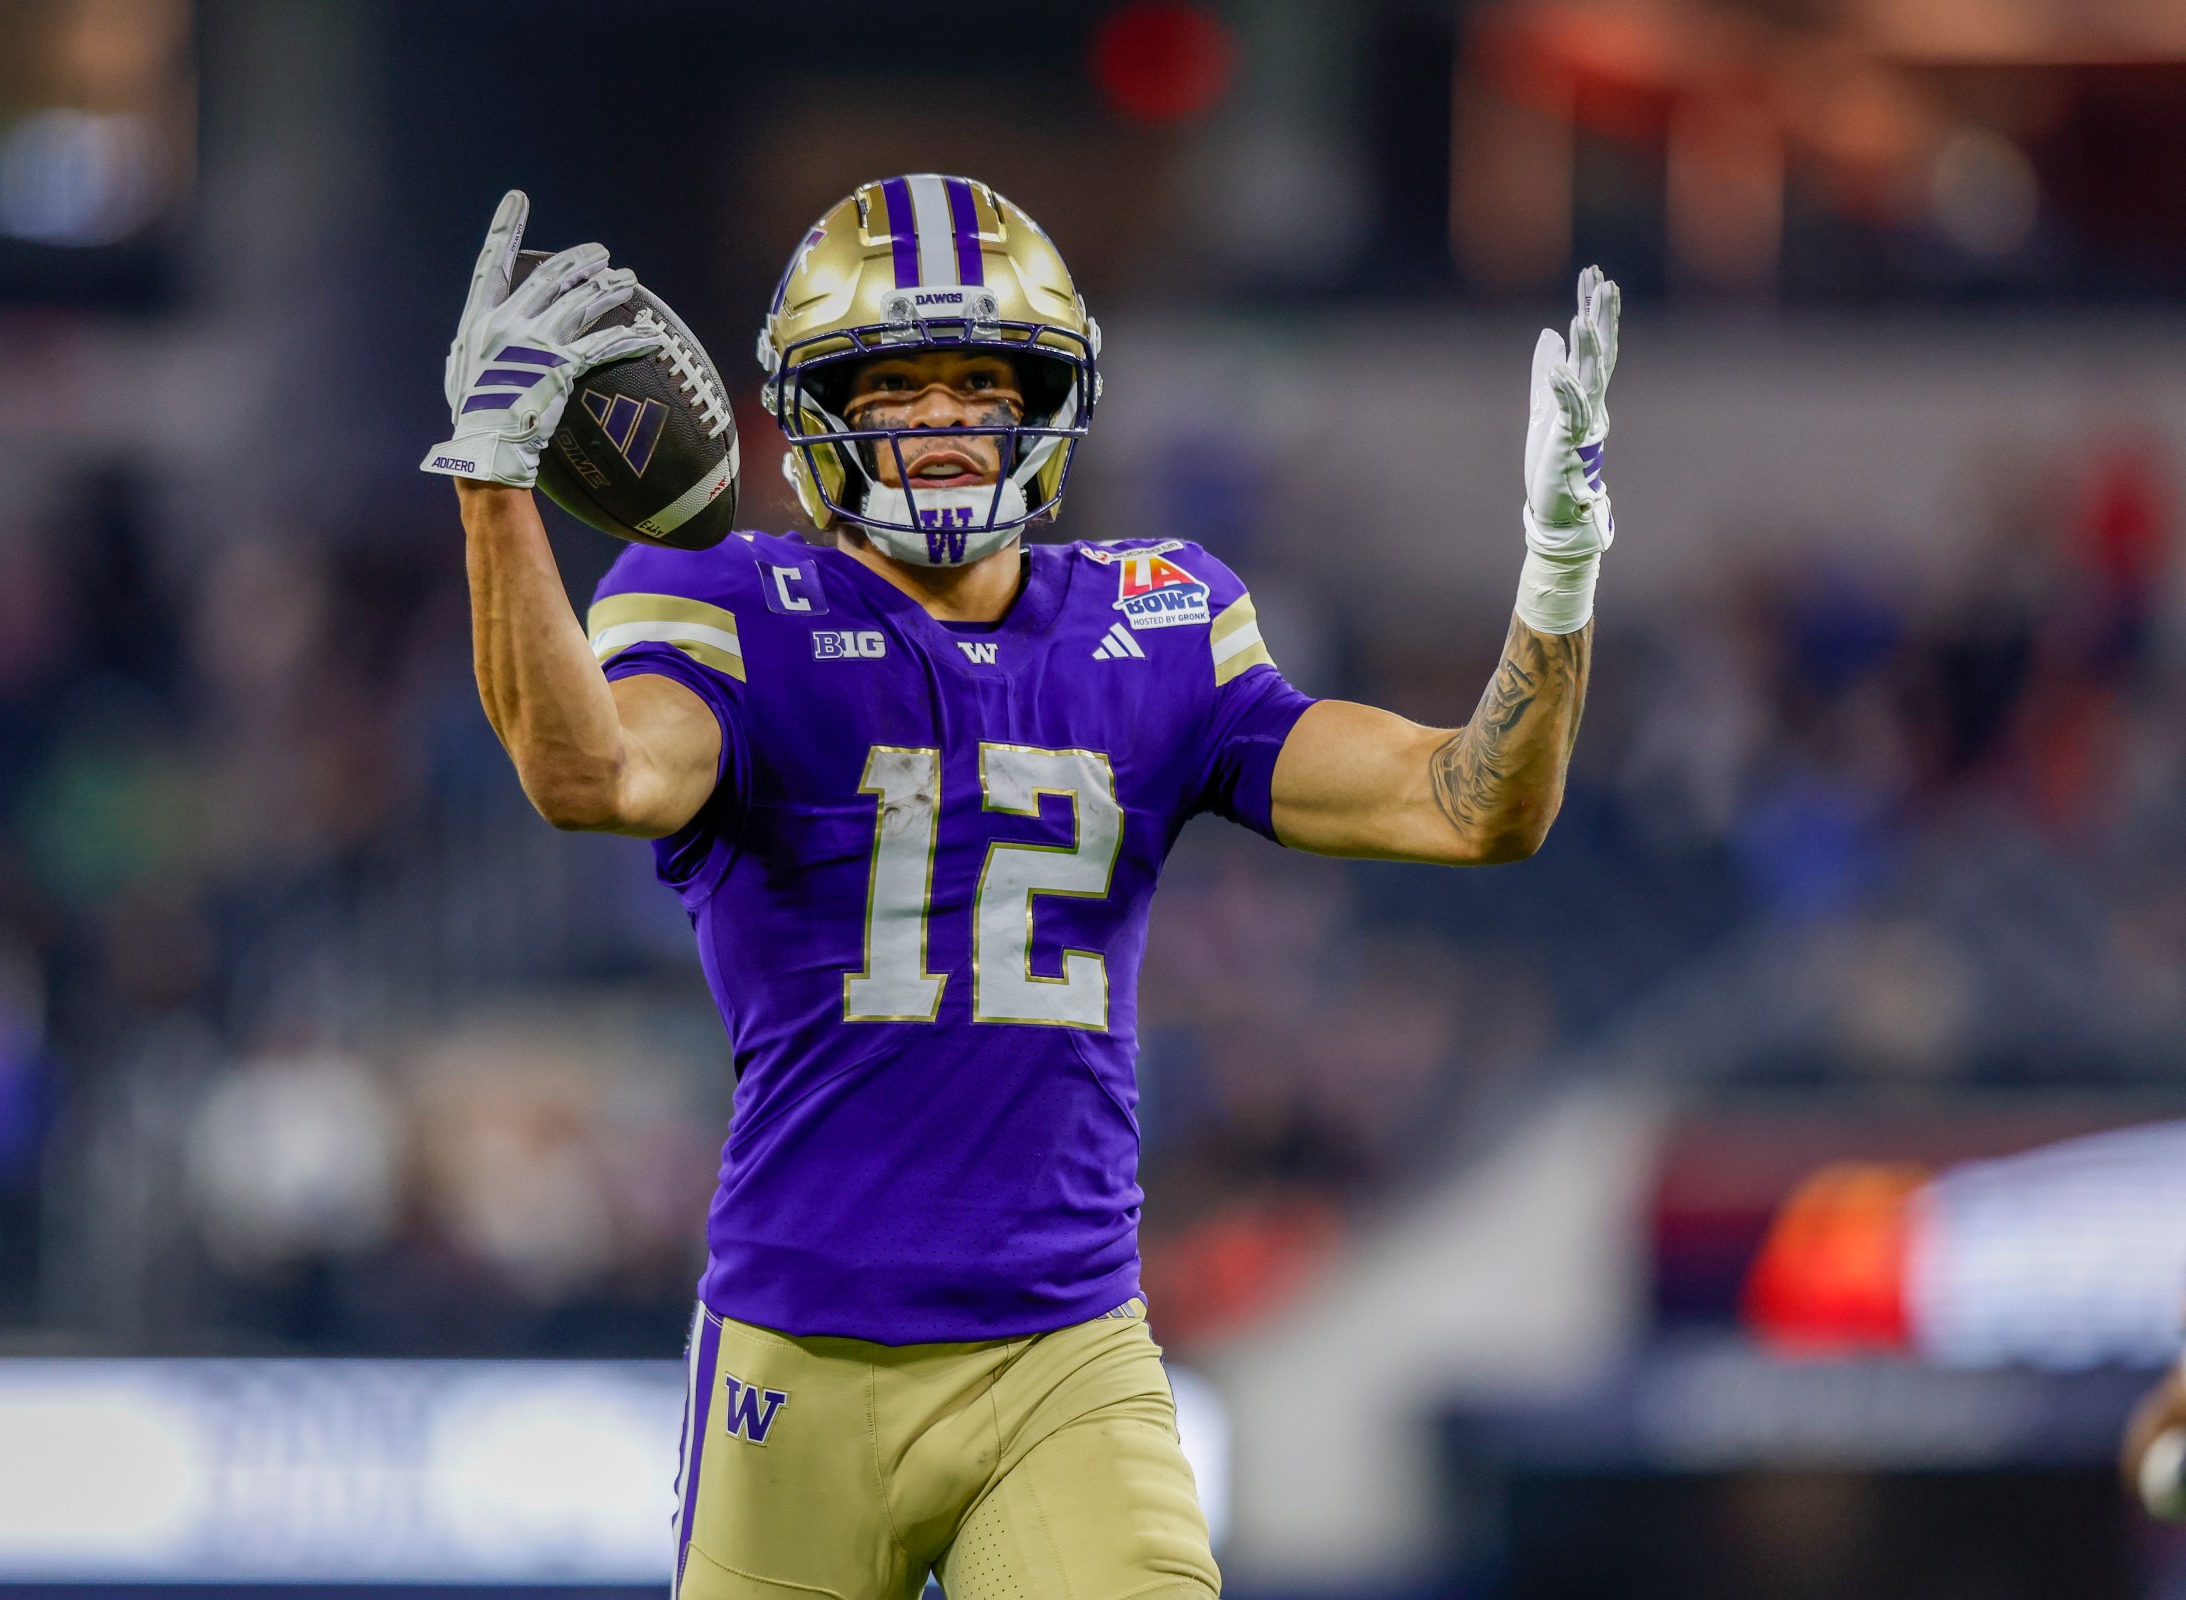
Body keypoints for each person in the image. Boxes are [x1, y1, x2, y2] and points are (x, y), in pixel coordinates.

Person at [422, 177, 1620, 1600]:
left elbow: (1469, 806)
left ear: (1049, 398)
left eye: (978, 381)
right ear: (820, 411)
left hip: (1067, 1352)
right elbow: (592, 776)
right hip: (799, 1356)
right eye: (896, 384)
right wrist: (497, 487)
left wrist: (1556, 576)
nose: (939, 422)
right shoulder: (734, 601)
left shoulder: (1161, 615)